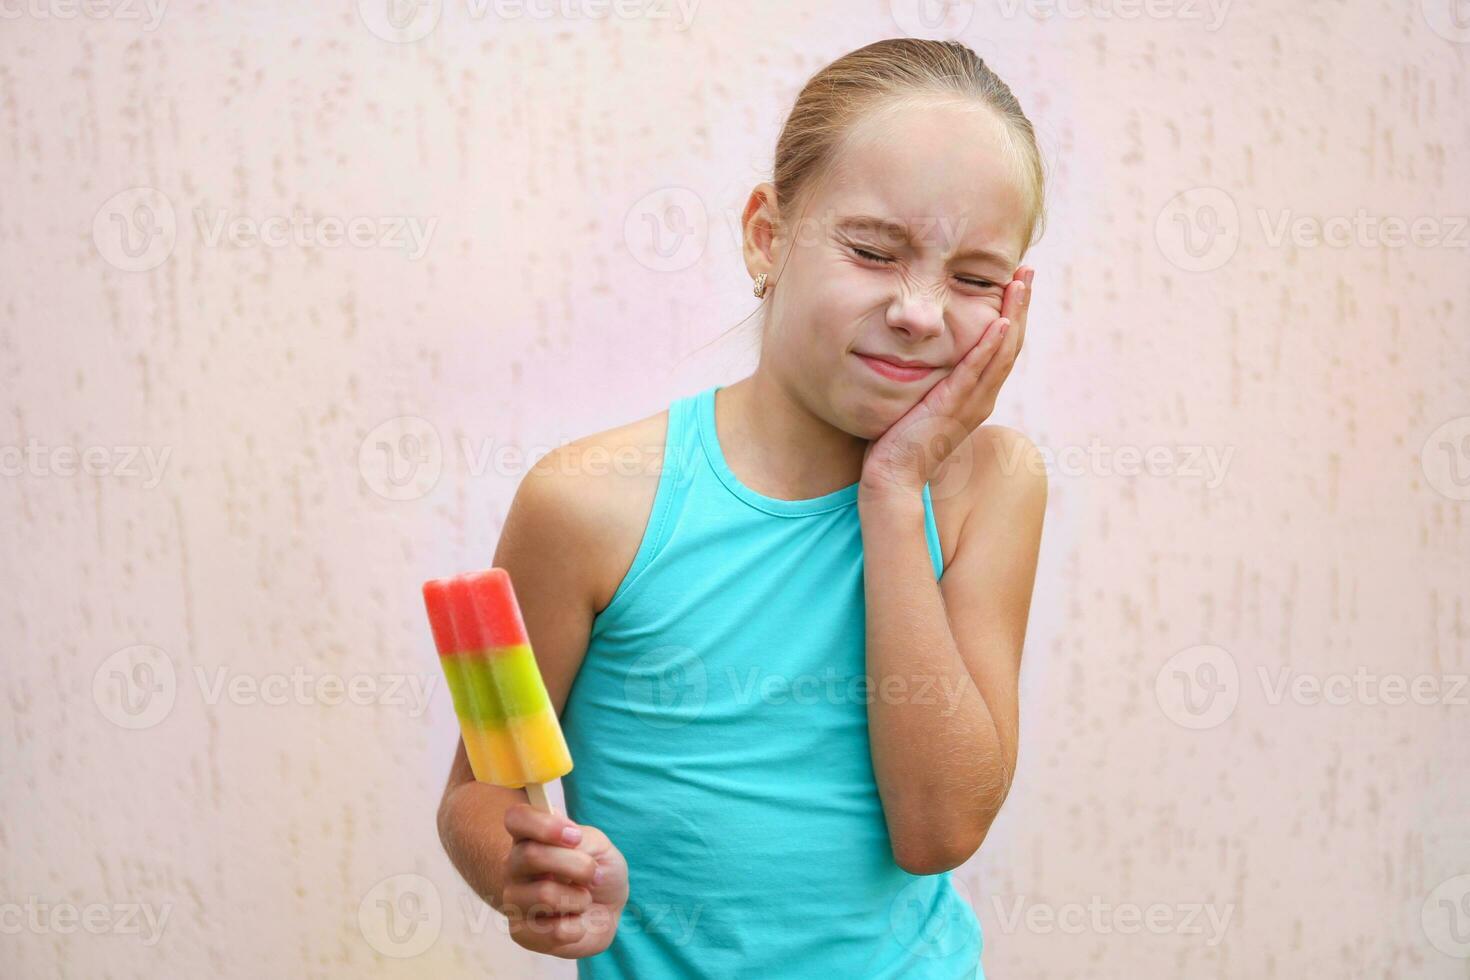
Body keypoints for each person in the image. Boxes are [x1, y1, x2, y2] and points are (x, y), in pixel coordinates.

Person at [437, 36, 1049, 979]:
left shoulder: (992, 487)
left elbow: (939, 830)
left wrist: (893, 492)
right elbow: (479, 793)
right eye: (872, 252)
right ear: (768, 237)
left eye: (973, 279)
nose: (922, 312)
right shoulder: (587, 504)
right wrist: (524, 870)